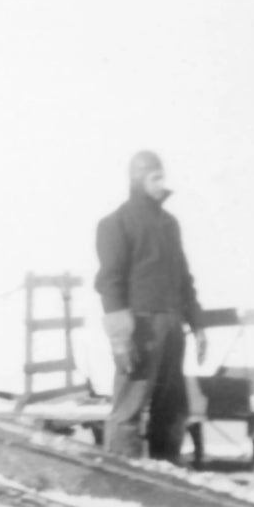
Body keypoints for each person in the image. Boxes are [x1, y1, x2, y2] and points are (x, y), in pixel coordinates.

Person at [94, 151, 207, 462]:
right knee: (129, 406)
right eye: (154, 177)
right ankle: (122, 479)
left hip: (172, 327)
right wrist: (120, 339)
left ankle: (165, 475)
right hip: (141, 327)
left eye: (162, 177)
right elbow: (110, 283)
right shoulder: (116, 224)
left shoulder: (169, 224)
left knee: (172, 409)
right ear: (137, 179)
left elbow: (184, 278)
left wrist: (197, 324)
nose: (161, 184)